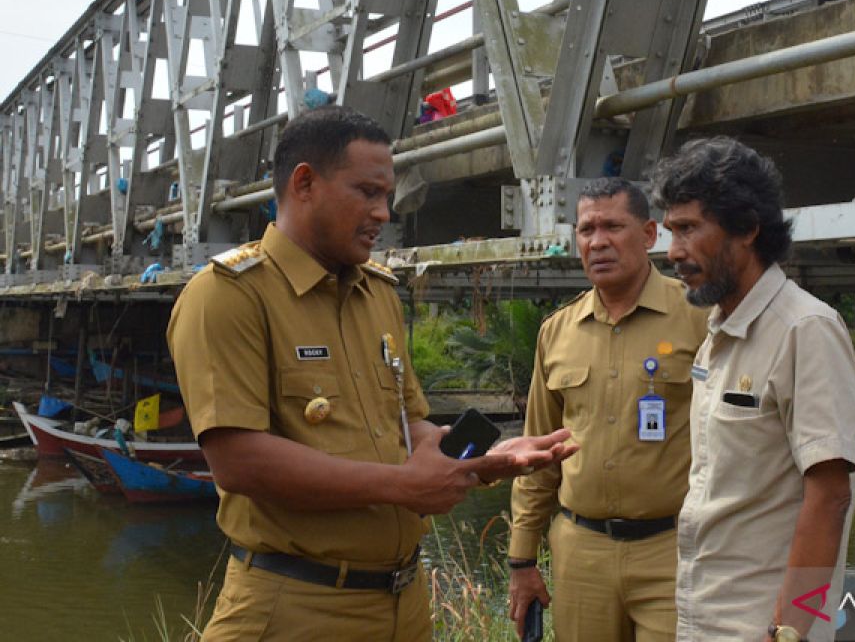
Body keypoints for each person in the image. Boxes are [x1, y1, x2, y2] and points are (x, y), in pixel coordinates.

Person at [168, 106, 576, 641]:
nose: (383, 213)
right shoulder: (230, 295)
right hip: (297, 606)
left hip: (403, 602)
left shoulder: (376, 292)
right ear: (305, 183)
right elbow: (239, 462)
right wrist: (404, 486)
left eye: (386, 196)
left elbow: (407, 426)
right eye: (366, 192)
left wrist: (480, 459)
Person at [651, 137, 855, 642]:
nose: (673, 251)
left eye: (687, 229)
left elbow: (831, 497)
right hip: (703, 617)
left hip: (761, 627)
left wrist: (792, 628)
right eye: (670, 231)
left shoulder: (805, 330)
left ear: (746, 228)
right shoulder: (720, 332)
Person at [507, 178, 709, 641]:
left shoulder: (700, 320)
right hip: (582, 555)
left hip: (672, 551)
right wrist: (522, 558)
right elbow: (537, 455)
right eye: (586, 229)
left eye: (613, 226)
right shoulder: (557, 332)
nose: (597, 241)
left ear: (649, 234)